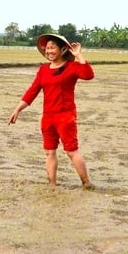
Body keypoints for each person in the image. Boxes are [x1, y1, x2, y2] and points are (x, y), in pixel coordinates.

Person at [8, 33, 95, 190]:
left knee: (71, 151)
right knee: (49, 152)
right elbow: (32, 91)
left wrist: (78, 55)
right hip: (48, 118)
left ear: (62, 49)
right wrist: (17, 110)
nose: (49, 51)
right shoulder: (43, 70)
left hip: (65, 116)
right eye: (47, 48)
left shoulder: (72, 67)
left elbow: (88, 75)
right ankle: (51, 185)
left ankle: (86, 183)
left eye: (52, 47)